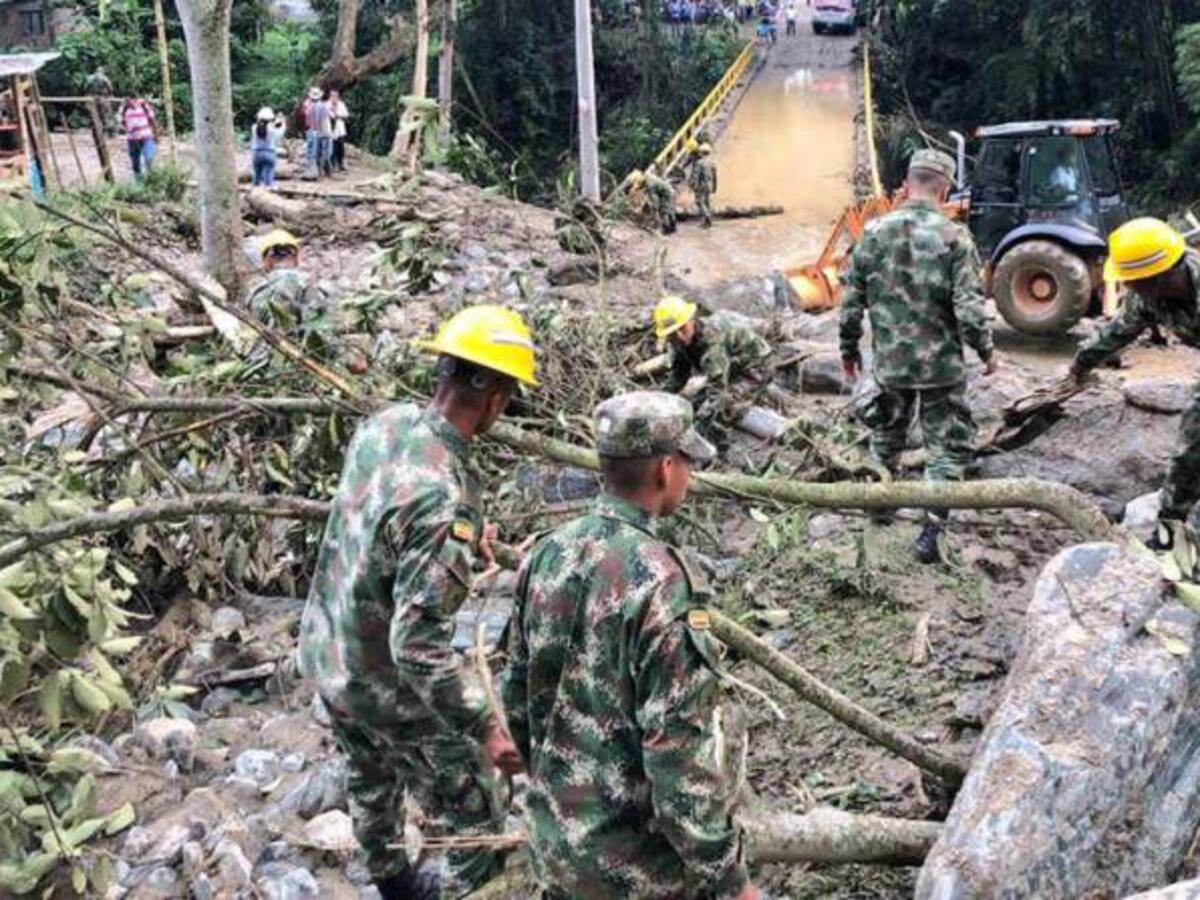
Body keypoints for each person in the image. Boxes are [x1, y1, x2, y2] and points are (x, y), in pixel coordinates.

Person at [299, 305, 538, 900]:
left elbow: (381, 522)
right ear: (496, 397)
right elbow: (417, 646)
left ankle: (393, 885)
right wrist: (486, 728)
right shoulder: (441, 496)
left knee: (369, 775)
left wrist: (462, 543)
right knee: (477, 801)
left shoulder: (386, 425)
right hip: (380, 679)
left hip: (328, 651)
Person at [502, 390, 760, 900]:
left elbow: (517, 699)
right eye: (687, 462)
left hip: (555, 851)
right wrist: (731, 880)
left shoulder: (546, 554)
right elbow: (677, 757)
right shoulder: (663, 582)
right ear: (666, 468)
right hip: (638, 873)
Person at [840, 149, 996, 563]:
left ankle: (878, 510)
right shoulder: (955, 237)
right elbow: (969, 309)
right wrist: (986, 352)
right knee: (946, 448)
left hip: (890, 364)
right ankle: (930, 533)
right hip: (942, 366)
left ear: (907, 184)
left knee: (887, 437)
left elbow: (851, 303)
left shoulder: (872, 233)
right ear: (944, 190)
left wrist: (848, 351)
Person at [1068, 217, 1200, 544]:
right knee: (1190, 452)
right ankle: (1170, 533)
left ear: (1157, 278)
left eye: (1132, 281)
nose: (1127, 286)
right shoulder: (1149, 297)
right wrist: (1080, 365)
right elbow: (1117, 331)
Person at [654, 295, 773, 430]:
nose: (679, 337)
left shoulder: (712, 342)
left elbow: (717, 392)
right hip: (730, 365)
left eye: (682, 328)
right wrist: (658, 399)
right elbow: (679, 375)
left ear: (692, 320)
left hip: (757, 366)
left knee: (726, 409)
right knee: (694, 403)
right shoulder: (678, 342)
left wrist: (697, 428)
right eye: (672, 334)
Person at [246, 229, 332, 363]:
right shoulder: (306, 286)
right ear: (296, 258)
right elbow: (319, 331)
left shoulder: (255, 293)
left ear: (266, 261)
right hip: (296, 363)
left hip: (258, 365)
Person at [633, 164, 678, 234]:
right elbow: (643, 185)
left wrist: (655, 208)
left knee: (664, 211)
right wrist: (637, 189)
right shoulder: (648, 176)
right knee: (669, 210)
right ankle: (673, 227)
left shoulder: (650, 185)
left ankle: (667, 229)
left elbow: (654, 199)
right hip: (668, 190)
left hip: (666, 193)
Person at [120, 97, 157, 180]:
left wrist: (155, 134)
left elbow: (152, 120)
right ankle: (139, 182)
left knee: (149, 158)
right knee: (135, 163)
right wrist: (130, 130)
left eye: (134, 99)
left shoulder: (144, 106)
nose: (133, 102)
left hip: (147, 137)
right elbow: (122, 123)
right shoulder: (124, 108)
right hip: (132, 139)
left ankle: (151, 178)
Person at [250, 107, 286, 188]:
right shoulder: (272, 129)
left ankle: (255, 189)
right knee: (269, 177)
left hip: (256, 153)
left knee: (256, 176)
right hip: (269, 153)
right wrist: (283, 123)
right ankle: (268, 189)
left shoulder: (254, 127)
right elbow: (279, 135)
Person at [689, 142, 718, 229]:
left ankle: (707, 217)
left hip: (701, 185)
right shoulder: (712, 163)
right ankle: (708, 220)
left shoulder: (699, 163)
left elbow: (695, 175)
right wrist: (715, 186)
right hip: (709, 185)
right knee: (707, 202)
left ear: (702, 152)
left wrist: (693, 185)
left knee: (699, 202)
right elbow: (715, 176)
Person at [84, 67, 115, 135]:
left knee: (93, 116)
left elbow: (86, 88)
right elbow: (110, 88)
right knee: (107, 114)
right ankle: (109, 131)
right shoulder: (105, 78)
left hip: (92, 98)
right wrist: (111, 95)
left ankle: (97, 131)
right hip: (102, 97)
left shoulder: (90, 78)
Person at [329, 90, 350, 173]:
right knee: (332, 147)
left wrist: (338, 115)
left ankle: (341, 164)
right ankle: (332, 165)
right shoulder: (327, 104)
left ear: (338, 97)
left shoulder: (341, 105)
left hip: (340, 129)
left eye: (335, 96)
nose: (334, 98)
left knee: (340, 147)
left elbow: (346, 115)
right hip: (330, 129)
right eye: (332, 96)